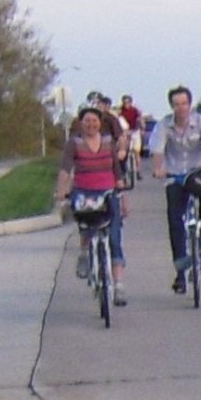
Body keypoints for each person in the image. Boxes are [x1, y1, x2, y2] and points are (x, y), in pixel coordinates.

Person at [150, 85, 201, 294]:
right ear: (171, 106)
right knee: (175, 220)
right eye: (177, 104)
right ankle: (180, 272)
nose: (181, 108)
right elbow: (157, 150)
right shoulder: (164, 126)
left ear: (190, 104)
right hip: (175, 175)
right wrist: (158, 168)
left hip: (199, 171)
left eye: (184, 103)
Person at [56, 106, 130, 306]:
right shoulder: (74, 143)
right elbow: (65, 169)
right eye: (87, 121)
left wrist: (122, 197)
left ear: (100, 123)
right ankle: (84, 254)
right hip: (84, 192)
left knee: (114, 237)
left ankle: (119, 287)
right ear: (81, 123)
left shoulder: (108, 142)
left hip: (107, 192)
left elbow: (117, 170)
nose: (91, 124)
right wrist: (62, 190)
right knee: (87, 228)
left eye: (94, 121)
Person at [119, 94, 144, 180]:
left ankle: (138, 171)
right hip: (125, 133)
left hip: (135, 132)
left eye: (128, 102)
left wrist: (142, 128)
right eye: (125, 102)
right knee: (124, 153)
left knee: (136, 152)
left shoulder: (135, 111)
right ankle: (124, 171)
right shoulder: (120, 111)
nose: (126, 104)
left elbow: (140, 119)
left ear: (131, 102)